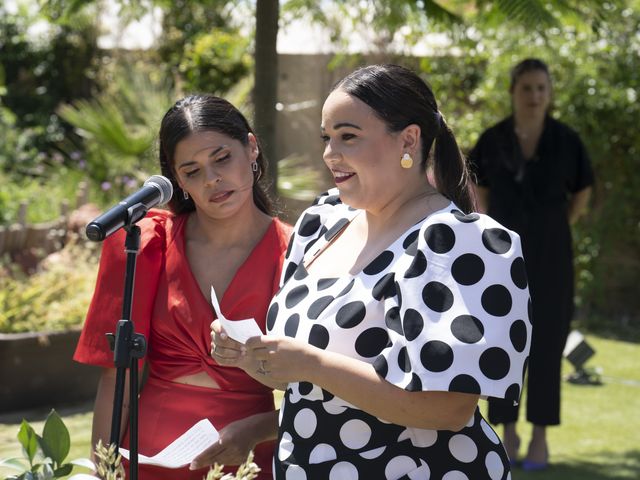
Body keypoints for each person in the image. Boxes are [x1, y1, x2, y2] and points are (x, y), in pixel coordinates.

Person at [211, 64, 532, 479]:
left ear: (409, 140)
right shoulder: (321, 222)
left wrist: (311, 364)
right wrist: (253, 356)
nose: (330, 154)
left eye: (348, 136)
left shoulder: (457, 242)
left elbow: (450, 407)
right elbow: (311, 384)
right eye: (327, 138)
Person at [74, 94, 292, 479]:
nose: (212, 180)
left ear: (252, 147)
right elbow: (116, 377)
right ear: (177, 181)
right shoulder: (147, 242)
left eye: (222, 158)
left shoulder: (297, 252)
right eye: (192, 171)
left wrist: (257, 429)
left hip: (247, 459)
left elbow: (318, 391)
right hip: (148, 455)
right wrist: (102, 470)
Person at [468, 58, 594, 470]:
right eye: (527, 88)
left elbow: (581, 195)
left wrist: (551, 228)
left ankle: (540, 436)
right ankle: (507, 433)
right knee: (504, 343)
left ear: (549, 91)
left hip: (554, 257)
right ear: (513, 91)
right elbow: (477, 192)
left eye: (542, 87)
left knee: (547, 345)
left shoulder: (567, 141)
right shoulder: (492, 140)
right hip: (501, 259)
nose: (535, 96)